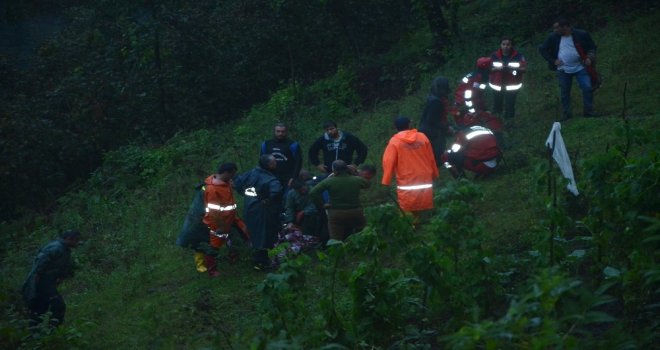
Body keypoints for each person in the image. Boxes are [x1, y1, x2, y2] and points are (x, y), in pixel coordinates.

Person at [176, 163, 249, 277]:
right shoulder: (213, 189)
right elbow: (214, 212)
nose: (233, 177)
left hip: (230, 219)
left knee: (236, 237)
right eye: (232, 174)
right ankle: (212, 269)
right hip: (219, 223)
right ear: (226, 173)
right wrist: (219, 226)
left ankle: (234, 258)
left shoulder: (225, 183)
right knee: (214, 245)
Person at [539, 17, 599, 120]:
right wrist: (553, 60)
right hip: (563, 69)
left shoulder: (581, 34)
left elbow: (592, 47)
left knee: (587, 87)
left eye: (557, 28)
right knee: (565, 92)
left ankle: (588, 111)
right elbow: (542, 49)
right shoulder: (553, 37)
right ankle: (567, 114)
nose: (555, 30)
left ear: (565, 27)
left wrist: (589, 58)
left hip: (581, 66)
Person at [232, 154, 284, 271]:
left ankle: (260, 259)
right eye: (274, 162)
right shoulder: (271, 179)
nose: (276, 164)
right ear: (268, 165)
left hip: (250, 209)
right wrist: (269, 200)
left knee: (255, 233)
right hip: (264, 211)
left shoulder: (251, 173)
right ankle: (261, 262)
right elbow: (276, 193)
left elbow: (236, 183)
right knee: (265, 235)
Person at [382, 116, 439, 219]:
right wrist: (435, 173)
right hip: (424, 176)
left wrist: (386, 181)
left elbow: (388, 161)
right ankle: (428, 222)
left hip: (407, 179)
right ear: (409, 125)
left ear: (396, 128)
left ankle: (411, 225)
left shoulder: (395, 141)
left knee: (408, 203)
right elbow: (431, 157)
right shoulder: (422, 137)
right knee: (424, 201)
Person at [22, 230, 81, 328]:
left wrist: (60, 277)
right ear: (69, 239)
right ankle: (51, 330)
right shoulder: (56, 248)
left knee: (41, 307)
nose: (78, 243)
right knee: (58, 305)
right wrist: (38, 279)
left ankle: (37, 332)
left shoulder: (64, 249)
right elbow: (40, 263)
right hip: (43, 281)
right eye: (76, 240)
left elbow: (63, 266)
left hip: (49, 281)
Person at [309, 160, 370, 241]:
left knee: (335, 238)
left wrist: (323, 204)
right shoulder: (356, 180)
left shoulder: (329, 181)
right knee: (361, 233)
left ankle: (337, 251)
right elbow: (367, 184)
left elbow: (312, 193)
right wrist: (355, 173)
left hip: (336, 213)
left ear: (334, 170)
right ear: (346, 169)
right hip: (355, 211)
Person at [489, 37, 527, 119]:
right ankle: (496, 122)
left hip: (512, 85)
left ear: (511, 45)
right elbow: (488, 69)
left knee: (510, 105)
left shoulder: (518, 56)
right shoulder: (494, 56)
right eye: (503, 44)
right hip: (497, 84)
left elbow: (524, 68)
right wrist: (497, 69)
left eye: (508, 44)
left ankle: (509, 123)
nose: (506, 46)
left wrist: (514, 68)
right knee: (497, 105)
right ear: (500, 45)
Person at [260, 123, 303, 193]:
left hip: (288, 177)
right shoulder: (266, 144)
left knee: (287, 197)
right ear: (274, 132)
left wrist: (294, 177)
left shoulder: (293, 144)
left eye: (283, 131)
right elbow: (262, 162)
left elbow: (298, 162)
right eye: (278, 131)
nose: (280, 133)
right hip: (271, 177)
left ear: (286, 132)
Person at [419, 76, 451, 164]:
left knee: (434, 153)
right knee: (438, 154)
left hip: (427, 130)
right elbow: (431, 120)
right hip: (432, 132)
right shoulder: (436, 102)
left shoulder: (432, 98)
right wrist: (445, 127)